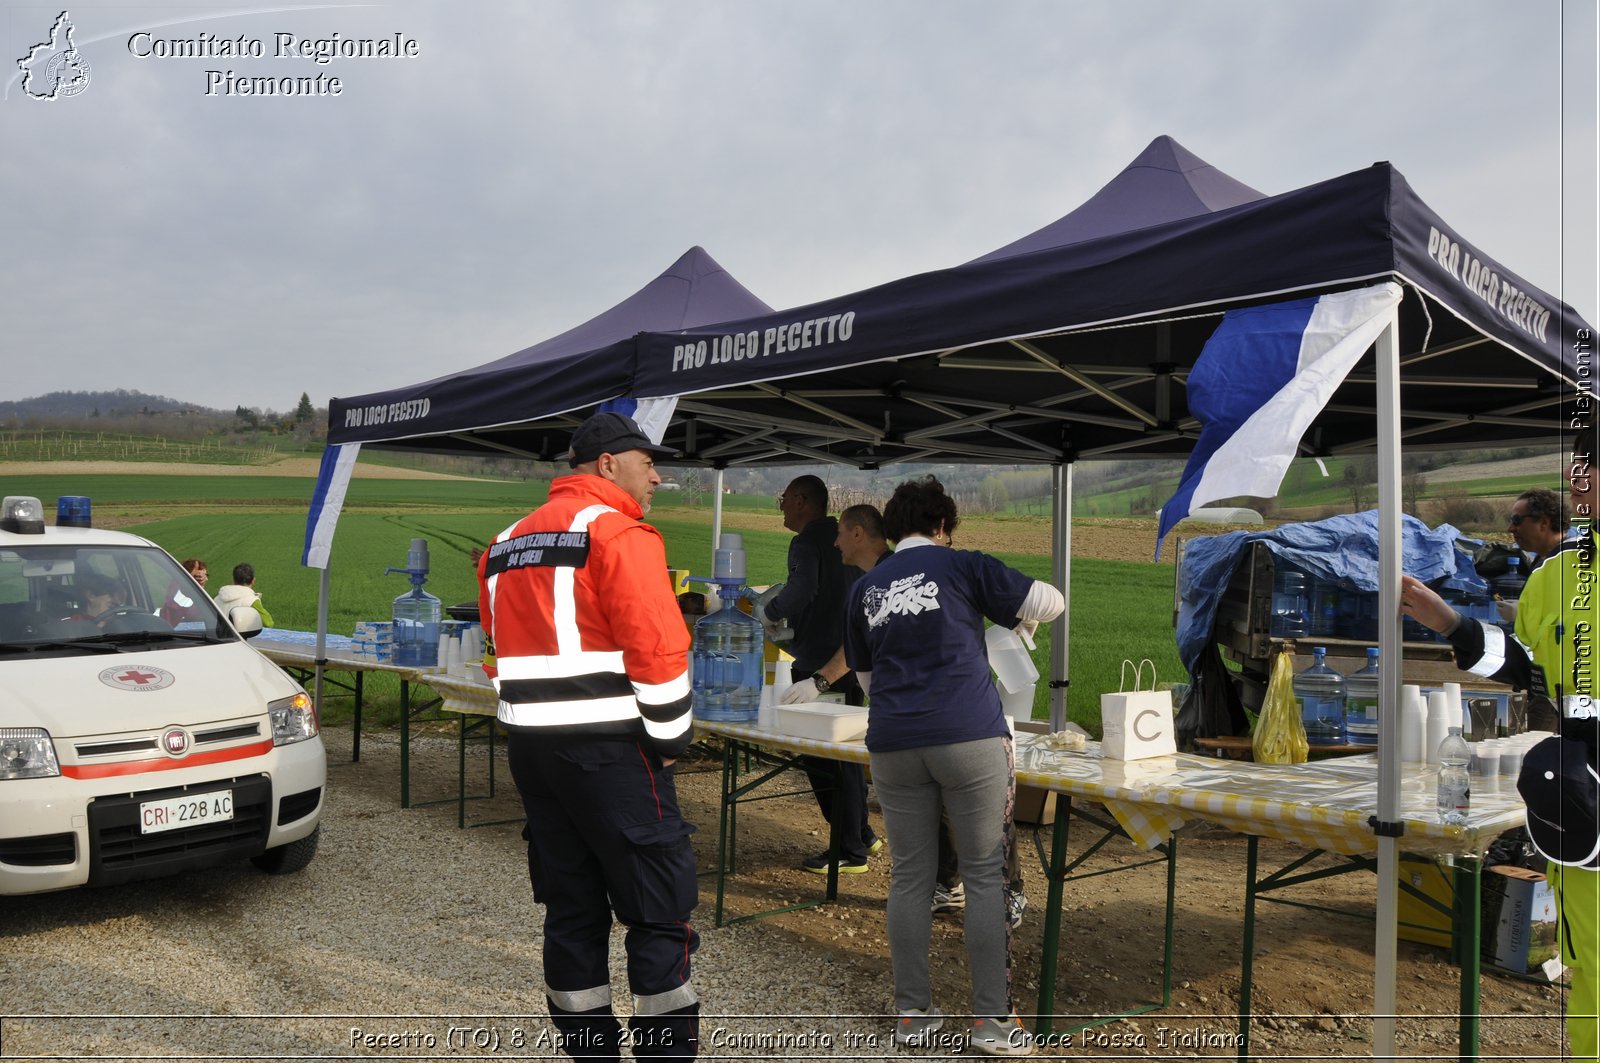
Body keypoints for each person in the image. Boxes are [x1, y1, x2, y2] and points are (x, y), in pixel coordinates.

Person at [478, 410, 699, 1061]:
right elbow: (659, 649)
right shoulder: (619, 532)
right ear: (608, 463)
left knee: (572, 909)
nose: (656, 475)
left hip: (533, 752)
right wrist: (671, 738)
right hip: (612, 749)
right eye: (647, 461)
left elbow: (495, 655)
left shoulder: (504, 541)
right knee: (659, 911)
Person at [843, 475, 1063, 1056]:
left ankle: (913, 1015)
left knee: (912, 877)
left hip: (892, 742)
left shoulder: (866, 589)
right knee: (986, 875)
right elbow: (1050, 601)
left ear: (892, 530)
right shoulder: (962, 565)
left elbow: (868, 681)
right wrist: (1014, 618)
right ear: (943, 527)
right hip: (969, 736)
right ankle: (994, 1023)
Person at [1401, 449, 1597, 1063]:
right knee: (1591, 967)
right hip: (1583, 810)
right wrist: (1454, 625)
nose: (1580, 477)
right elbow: (1530, 669)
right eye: (1580, 463)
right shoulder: (1559, 575)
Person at [763, 475, 880, 874]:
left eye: (783, 499)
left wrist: (771, 610)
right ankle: (861, 833)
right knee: (844, 751)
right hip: (851, 661)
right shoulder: (843, 538)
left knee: (823, 757)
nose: (781, 507)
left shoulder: (809, 540)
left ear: (800, 501)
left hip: (820, 664)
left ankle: (848, 850)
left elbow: (801, 588)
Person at [1497, 487, 1567, 624]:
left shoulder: (1570, 564)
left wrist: (1524, 615)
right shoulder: (1543, 559)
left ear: (1544, 523)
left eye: (1516, 520)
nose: (1510, 528)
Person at [213, 563, 274, 627]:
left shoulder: (217, 598)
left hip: (216, 636)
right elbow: (269, 623)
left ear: (233, 580)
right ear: (253, 581)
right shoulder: (252, 601)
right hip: (239, 636)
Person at [161, 558, 209, 625]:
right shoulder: (180, 595)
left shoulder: (176, 590)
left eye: (206, 575)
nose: (206, 579)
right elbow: (198, 616)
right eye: (200, 576)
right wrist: (190, 584)